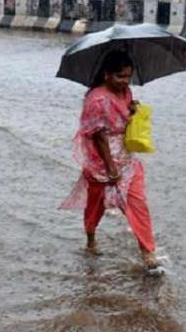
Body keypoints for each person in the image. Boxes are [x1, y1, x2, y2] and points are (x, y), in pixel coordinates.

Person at [60, 50, 160, 273]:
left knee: (138, 204)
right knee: (95, 206)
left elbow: (125, 115)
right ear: (107, 74)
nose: (125, 82)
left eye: (128, 77)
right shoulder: (96, 99)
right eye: (120, 76)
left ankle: (148, 252)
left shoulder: (125, 92)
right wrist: (111, 167)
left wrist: (134, 109)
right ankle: (91, 239)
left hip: (126, 158)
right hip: (101, 162)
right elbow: (98, 136)